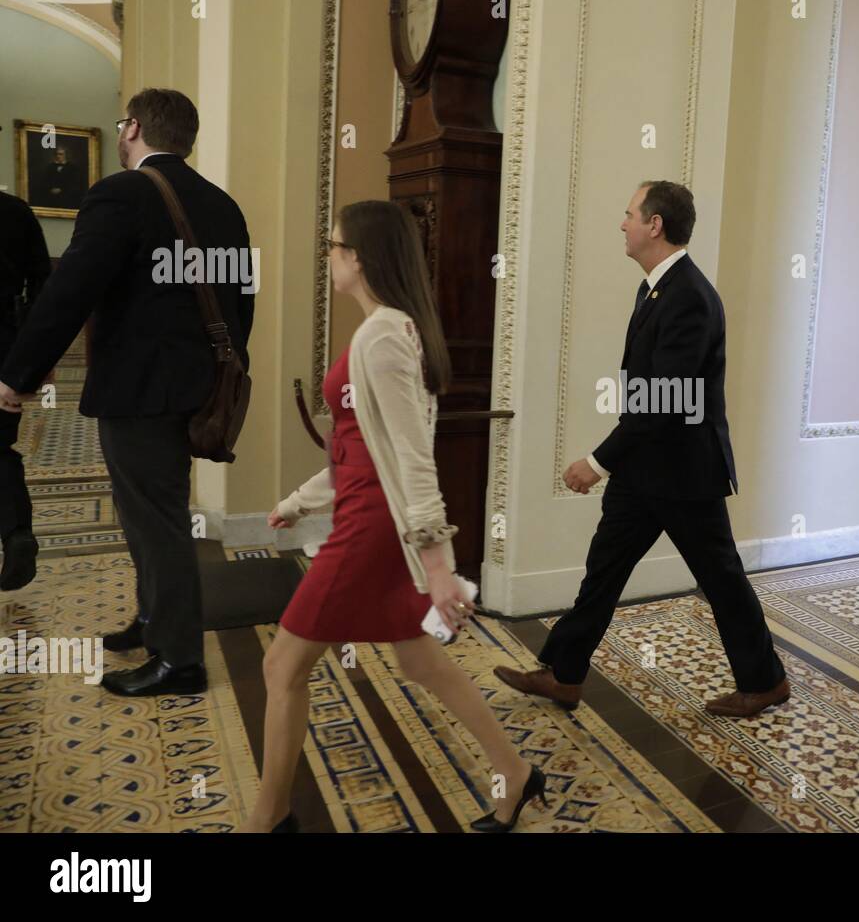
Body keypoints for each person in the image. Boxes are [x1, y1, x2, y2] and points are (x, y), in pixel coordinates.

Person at [241, 201, 544, 833]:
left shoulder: (382, 335)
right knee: (418, 660)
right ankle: (514, 773)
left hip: (374, 528)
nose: (328, 255)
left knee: (283, 664)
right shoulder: (389, 329)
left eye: (333, 245)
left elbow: (412, 461)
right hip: (366, 511)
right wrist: (298, 501)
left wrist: (437, 565)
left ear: (360, 257)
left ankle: (268, 819)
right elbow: (361, 450)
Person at [493, 181, 789, 718]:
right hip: (645, 470)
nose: (623, 223)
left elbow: (665, 404)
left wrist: (597, 462)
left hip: (684, 474)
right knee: (603, 570)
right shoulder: (655, 288)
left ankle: (764, 681)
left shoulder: (690, 298)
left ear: (655, 225)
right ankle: (563, 674)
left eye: (630, 214)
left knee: (721, 578)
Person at [0, 88, 254, 696]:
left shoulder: (121, 193)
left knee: (157, 519)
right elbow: (240, 294)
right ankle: (151, 618)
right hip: (198, 387)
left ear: (133, 127)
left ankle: (179, 660)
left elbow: (70, 292)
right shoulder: (222, 204)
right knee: (148, 514)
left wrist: (18, 373)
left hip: (141, 389)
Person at [0, 187, 51, 590]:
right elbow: (43, 288)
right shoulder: (16, 213)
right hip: (7, 349)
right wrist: (33, 360)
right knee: (0, 448)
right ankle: (16, 531)